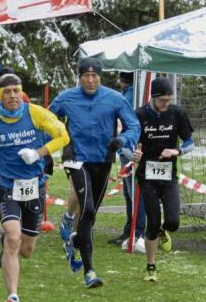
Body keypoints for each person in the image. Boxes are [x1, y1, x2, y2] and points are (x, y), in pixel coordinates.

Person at [0, 74, 69, 302]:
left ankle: (9, 252)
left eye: (16, 91)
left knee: (26, 250)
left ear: (21, 93)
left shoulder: (36, 113)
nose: (12, 96)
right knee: (12, 237)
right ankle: (13, 298)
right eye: (6, 92)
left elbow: (63, 136)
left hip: (35, 188)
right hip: (8, 188)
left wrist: (39, 152)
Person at [49, 58, 140, 288]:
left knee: (90, 215)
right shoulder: (66, 97)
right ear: (79, 77)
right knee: (87, 207)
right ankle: (90, 271)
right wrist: (49, 148)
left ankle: (74, 242)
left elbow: (134, 125)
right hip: (76, 159)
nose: (90, 80)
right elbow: (47, 121)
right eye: (85, 76)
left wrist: (122, 140)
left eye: (95, 76)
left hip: (103, 159)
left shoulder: (114, 98)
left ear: (100, 76)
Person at [131, 77, 194, 282]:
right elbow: (128, 142)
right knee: (152, 222)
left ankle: (163, 232)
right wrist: (132, 153)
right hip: (146, 175)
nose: (167, 104)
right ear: (153, 97)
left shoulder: (177, 113)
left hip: (169, 174)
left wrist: (177, 150)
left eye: (169, 100)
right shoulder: (139, 115)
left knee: (174, 221)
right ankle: (151, 266)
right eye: (163, 100)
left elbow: (190, 141)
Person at [110, 71, 147, 249]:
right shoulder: (129, 94)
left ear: (122, 80)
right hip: (126, 149)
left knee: (133, 193)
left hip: (129, 149)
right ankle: (129, 230)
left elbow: (128, 124)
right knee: (128, 192)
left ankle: (137, 232)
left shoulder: (128, 96)